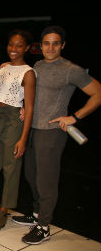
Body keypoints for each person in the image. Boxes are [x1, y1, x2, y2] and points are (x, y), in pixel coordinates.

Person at [14, 26, 101, 245]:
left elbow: (98, 94)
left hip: (51, 132)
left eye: (55, 43)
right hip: (32, 128)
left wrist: (75, 116)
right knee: (31, 175)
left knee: (46, 181)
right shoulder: (38, 65)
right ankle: (36, 214)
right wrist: (25, 107)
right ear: (40, 45)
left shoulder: (71, 69)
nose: (50, 47)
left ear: (62, 45)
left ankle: (43, 226)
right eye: (46, 43)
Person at [0, 31, 36, 232]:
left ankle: (3, 212)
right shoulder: (3, 67)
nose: (13, 49)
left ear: (27, 48)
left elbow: (29, 107)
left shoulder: (28, 72)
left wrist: (23, 138)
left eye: (19, 45)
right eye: (11, 44)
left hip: (13, 120)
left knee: (10, 169)